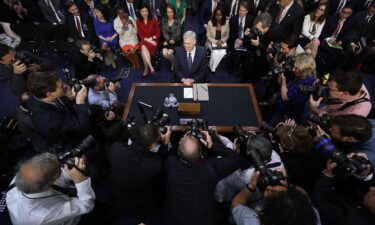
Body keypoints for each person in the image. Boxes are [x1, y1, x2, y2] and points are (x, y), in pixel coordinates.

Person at [162, 131, 246, 225]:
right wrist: (212, 146)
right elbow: (238, 159)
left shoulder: (171, 163)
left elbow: (167, 154)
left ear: (179, 153)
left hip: (173, 220)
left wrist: (181, 142)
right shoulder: (211, 167)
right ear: (201, 154)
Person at [107, 124, 171, 224]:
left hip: (119, 201)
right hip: (142, 208)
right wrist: (165, 143)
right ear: (153, 145)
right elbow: (160, 159)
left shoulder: (115, 149)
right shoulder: (153, 165)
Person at [6, 152, 95, 225]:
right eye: (59, 168)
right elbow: (86, 206)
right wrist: (80, 179)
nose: (62, 166)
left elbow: (54, 180)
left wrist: (68, 171)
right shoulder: (42, 216)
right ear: (47, 185)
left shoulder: (21, 178)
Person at [26, 71, 91, 150]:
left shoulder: (38, 96)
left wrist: (70, 98)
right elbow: (82, 127)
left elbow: (63, 103)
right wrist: (80, 102)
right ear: (49, 94)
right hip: (73, 142)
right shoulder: (47, 118)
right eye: (61, 86)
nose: (66, 86)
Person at [231, 170, 321, 225]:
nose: (268, 187)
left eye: (268, 192)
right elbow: (306, 197)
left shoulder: (253, 221)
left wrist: (250, 187)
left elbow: (236, 204)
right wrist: (288, 186)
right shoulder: (311, 215)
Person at [215, 134, 284, 203]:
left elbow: (221, 191)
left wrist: (235, 151)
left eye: (247, 147)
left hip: (239, 201)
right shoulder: (275, 156)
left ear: (253, 155)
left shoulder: (244, 175)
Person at [312, 154, 375, 225]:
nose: (371, 188)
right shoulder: (369, 202)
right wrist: (364, 174)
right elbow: (364, 188)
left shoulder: (347, 220)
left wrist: (327, 175)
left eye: (374, 194)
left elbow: (320, 204)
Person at [276, 119, 325, 194]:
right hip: (317, 189)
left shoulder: (287, 160)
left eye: (282, 141)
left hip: (302, 192)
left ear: (290, 147)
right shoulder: (318, 151)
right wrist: (287, 130)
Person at [272, 53, 317, 124]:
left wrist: (283, 81)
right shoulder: (305, 76)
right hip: (282, 109)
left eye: (296, 68)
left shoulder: (305, 82)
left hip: (286, 114)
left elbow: (285, 97)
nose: (293, 70)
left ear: (304, 68)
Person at [136, 3, 160, 77]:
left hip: (153, 41)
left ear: (148, 11)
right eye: (142, 11)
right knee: (143, 47)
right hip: (144, 40)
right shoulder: (138, 21)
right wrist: (147, 39)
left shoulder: (153, 20)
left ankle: (146, 69)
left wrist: (152, 38)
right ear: (140, 12)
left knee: (142, 48)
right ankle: (150, 67)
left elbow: (158, 33)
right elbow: (140, 35)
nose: (144, 13)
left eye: (146, 11)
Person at [93, 4, 118, 69]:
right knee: (106, 46)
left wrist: (112, 37)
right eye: (95, 12)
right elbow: (97, 33)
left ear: (102, 12)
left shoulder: (110, 20)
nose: (96, 14)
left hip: (113, 38)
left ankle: (100, 54)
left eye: (97, 12)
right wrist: (104, 39)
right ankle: (112, 62)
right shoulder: (95, 20)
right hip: (103, 39)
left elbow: (117, 31)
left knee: (105, 45)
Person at [206, 7, 229, 73]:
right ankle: (213, 69)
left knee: (222, 52)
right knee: (215, 52)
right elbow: (208, 36)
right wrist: (216, 42)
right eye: (216, 14)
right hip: (211, 42)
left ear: (223, 15)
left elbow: (227, 35)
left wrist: (221, 41)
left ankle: (210, 65)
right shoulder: (210, 23)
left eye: (220, 15)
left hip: (222, 42)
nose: (218, 17)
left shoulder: (226, 23)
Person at [161, 4, 181, 69]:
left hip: (175, 41)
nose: (170, 14)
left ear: (174, 12)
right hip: (167, 40)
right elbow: (164, 32)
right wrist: (168, 40)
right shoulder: (164, 20)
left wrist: (173, 39)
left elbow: (177, 33)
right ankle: (174, 61)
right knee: (164, 53)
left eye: (171, 12)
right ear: (166, 13)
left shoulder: (177, 21)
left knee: (169, 53)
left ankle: (173, 63)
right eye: (168, 12)